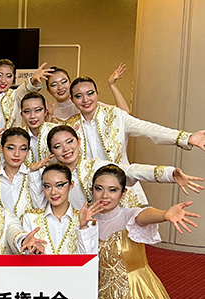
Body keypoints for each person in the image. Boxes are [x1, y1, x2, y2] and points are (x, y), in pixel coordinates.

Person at [92, 165, 198, 299]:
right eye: (99, 188)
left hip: (140, 296)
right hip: (106, 298)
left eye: (113, 190)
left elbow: (144, 215)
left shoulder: (129, 216)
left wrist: (165, 214)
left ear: (123, 193)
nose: (105, 195)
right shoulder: (86, 219)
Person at [37, 125, 204, 209]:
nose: (66, 149)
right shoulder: (50, 176)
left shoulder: (95, 166)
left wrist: (168, 174)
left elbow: (130, 171)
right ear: (51, 151)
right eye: (57, 146)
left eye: (70, 142)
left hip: (102, 230)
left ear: (79, 141)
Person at [67, 76, 205, 170]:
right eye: (79, 96)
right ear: (72, 100)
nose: (85, 100)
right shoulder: (70, 127)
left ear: (97, 93)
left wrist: (186, 137)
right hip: (86, 191)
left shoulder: (116, 115)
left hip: (122, 187)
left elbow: (148, 129)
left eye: (90, 93)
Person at [21, 163, 100, 254]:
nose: (53, 192)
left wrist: (83, 227)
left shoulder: (88, 220)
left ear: (71, 185)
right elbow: (26, 257)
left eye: (59, 185)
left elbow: (90, 259)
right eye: (47, 186)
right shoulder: (30, 218)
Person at [0, 59, 50, 128]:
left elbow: (26, 88)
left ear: (14, 77)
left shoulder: (16, 96)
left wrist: (33, 80)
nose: (3, 80)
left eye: (9, 76)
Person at [45, 64, 131, 121]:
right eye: (54, 85)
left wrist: (112, 85)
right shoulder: (49, 112)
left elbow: (124, 113)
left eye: (64, 82)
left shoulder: (86, 104)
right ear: (48, 90)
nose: (60, 87)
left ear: (70, 83)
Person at [0, 127, 43, 218]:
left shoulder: (37, 174)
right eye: (11, 148)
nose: (17, 154)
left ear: (28, 150)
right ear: (1, 148)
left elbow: (41, 207)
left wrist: (34, 174)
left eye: (23, 149)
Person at [19, 92, 57, 164]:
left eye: (37, 110)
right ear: (21, 114)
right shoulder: (17, 136)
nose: (32, 116)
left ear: (45, 112)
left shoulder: (57, 132)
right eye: (27, 111)